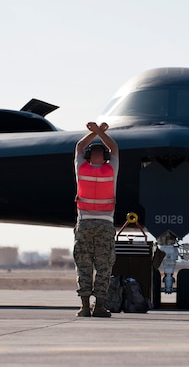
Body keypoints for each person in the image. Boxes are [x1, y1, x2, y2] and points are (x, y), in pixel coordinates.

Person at [73, 121, 119, 317]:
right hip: (84, 222)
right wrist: (94, 133)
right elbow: (79, 147)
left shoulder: (112, 170)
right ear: (90, 156)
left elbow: (114, 147)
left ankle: (99, 305)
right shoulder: (81, 168)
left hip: (105, 223)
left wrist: (100, 131)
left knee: (104, 266)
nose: (98, 154)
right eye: (95, 152)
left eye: (101, 152)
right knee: (83, 264)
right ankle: (85, 305)